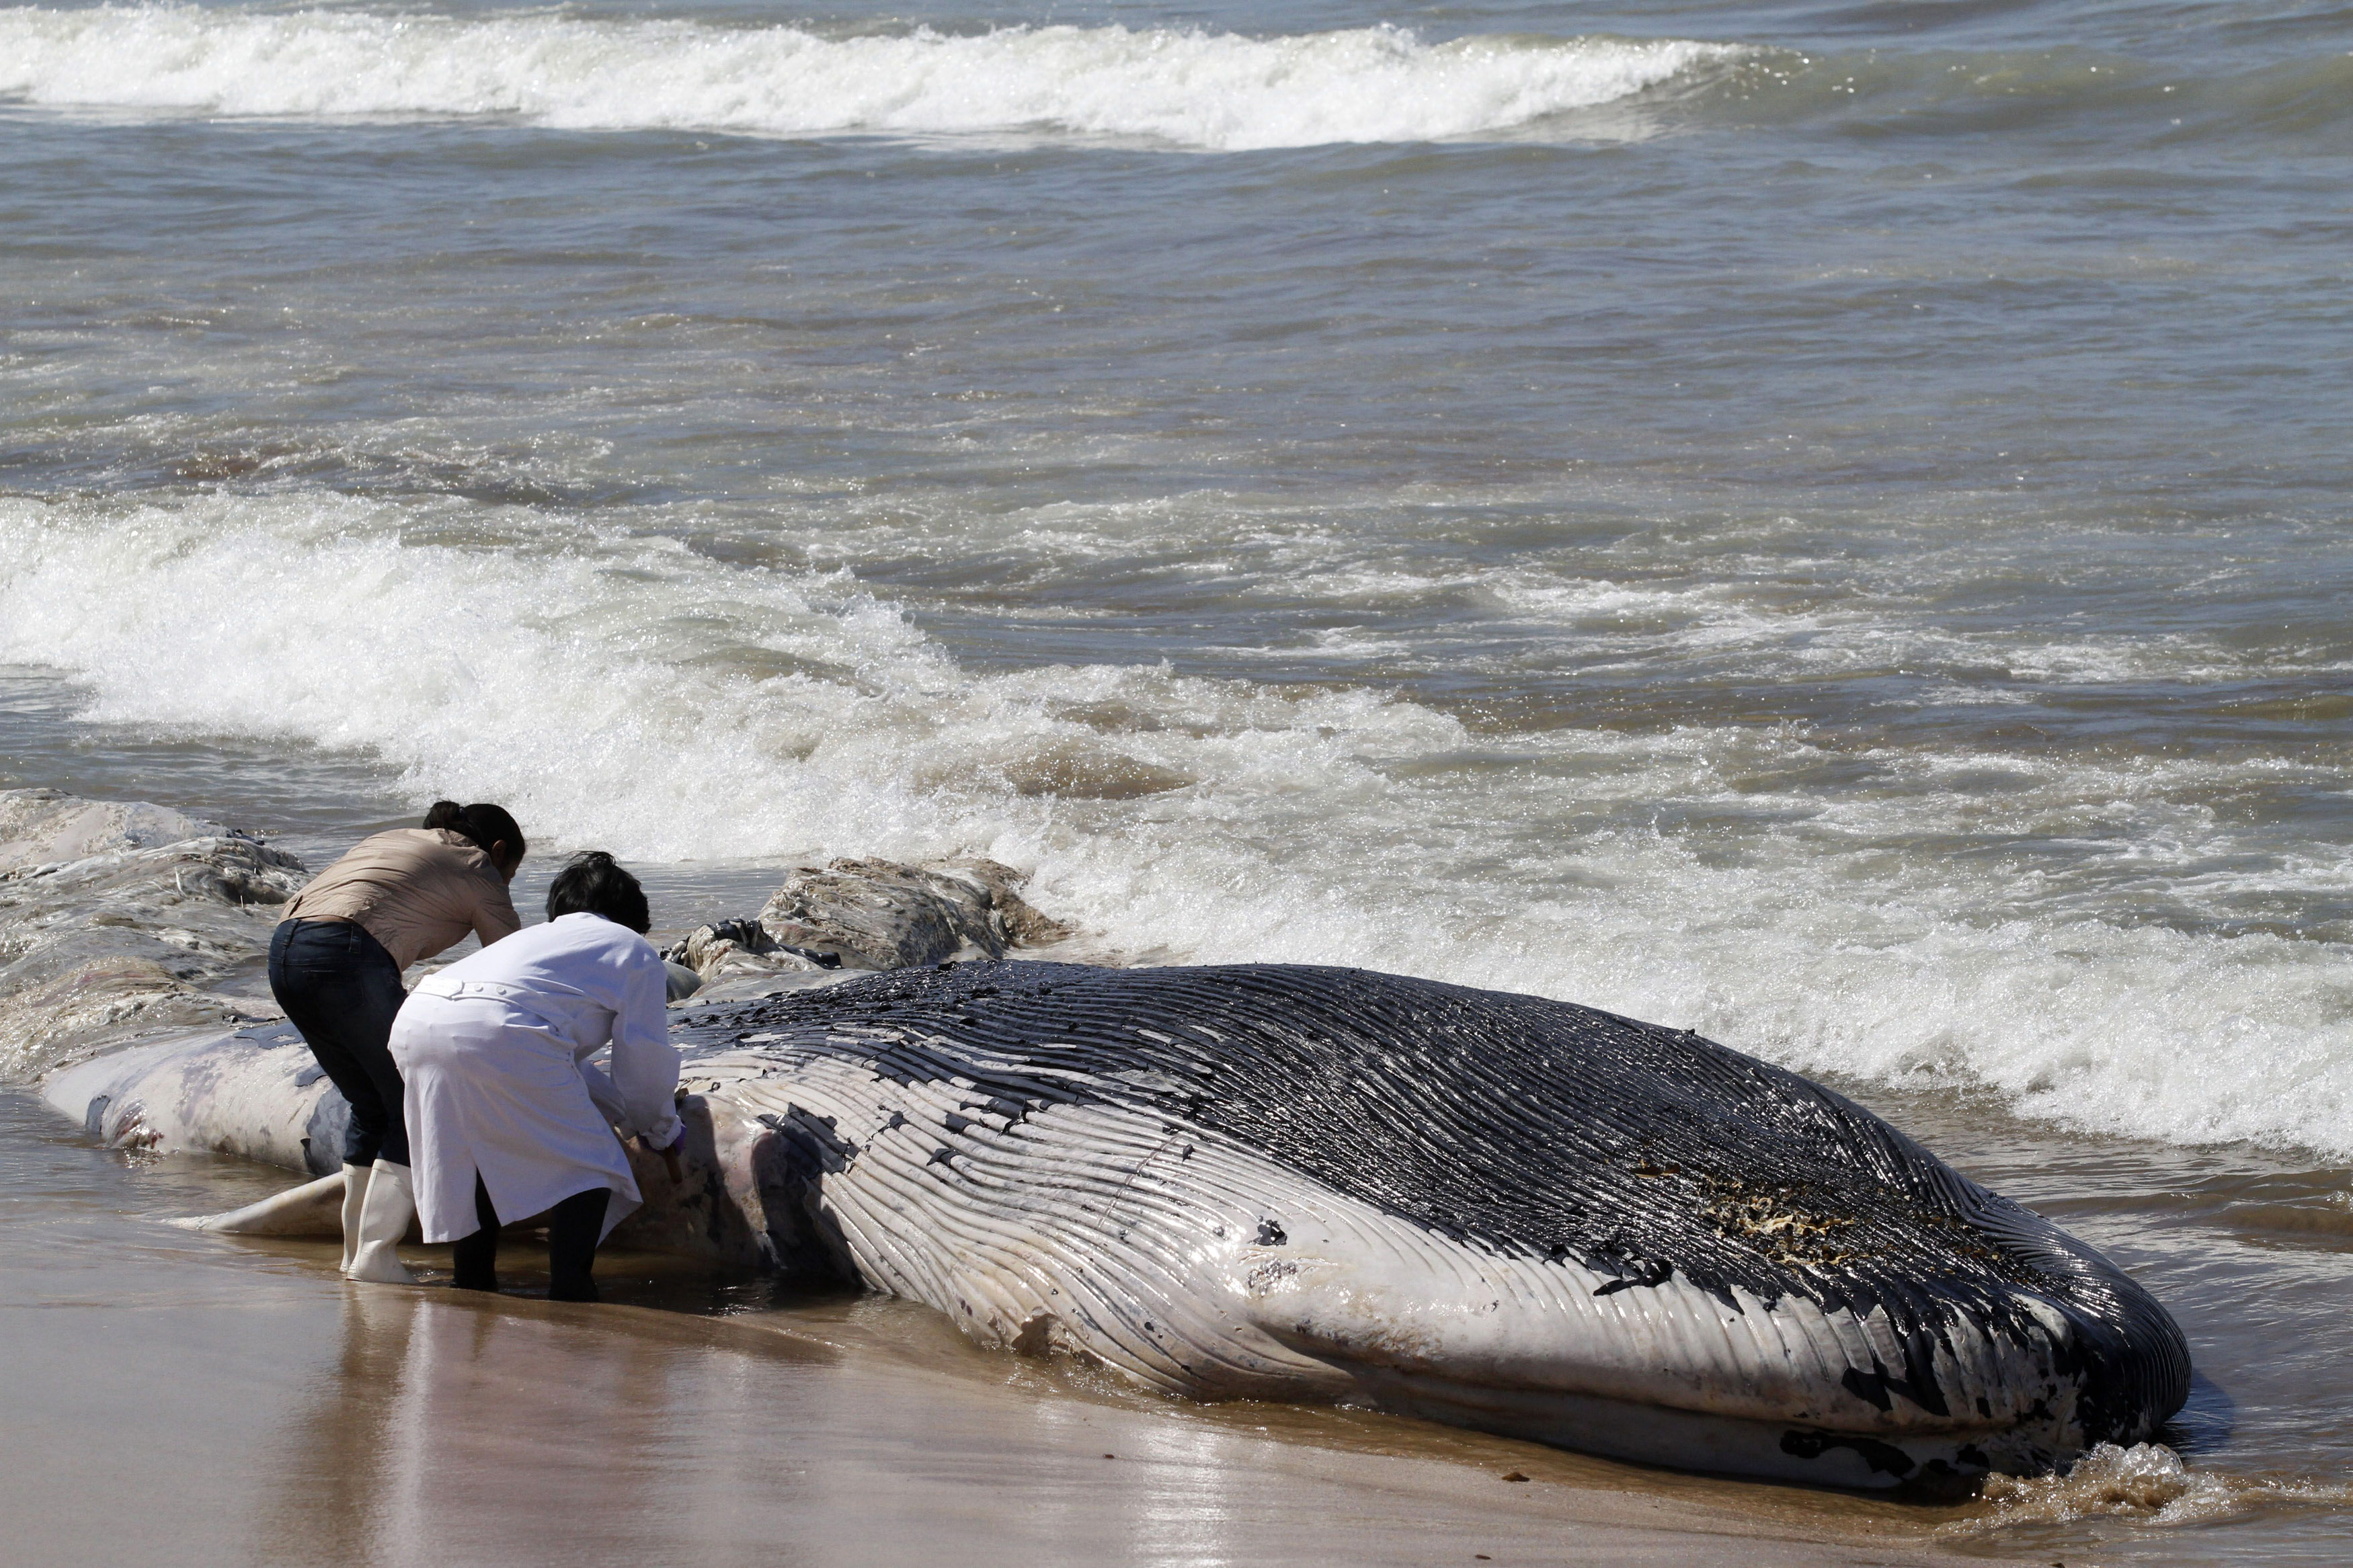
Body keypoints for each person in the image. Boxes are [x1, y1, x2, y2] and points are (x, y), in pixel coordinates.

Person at [389, 852, 684, 1303]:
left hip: (419, 1019)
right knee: (593, 1164)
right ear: (632, 916)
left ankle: (472, 1280)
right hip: (499, 1030)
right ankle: (570, 1288)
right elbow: (643, 1061)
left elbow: (559, 1066)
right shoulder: (631, 949)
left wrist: (623, 1112)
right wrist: (662, 1130)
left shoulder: (533, 943)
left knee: (477, 1154)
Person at [272, 801, 526, 1283]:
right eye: (511, 874)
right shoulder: (478, 867)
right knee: (411, 1100)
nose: (505, 886)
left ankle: (356, 1255)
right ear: (498, 850)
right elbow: (514, 964)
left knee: (371, 1106)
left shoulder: (396, 839)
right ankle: (376, 1256)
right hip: (346, 952)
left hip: (285, 951)